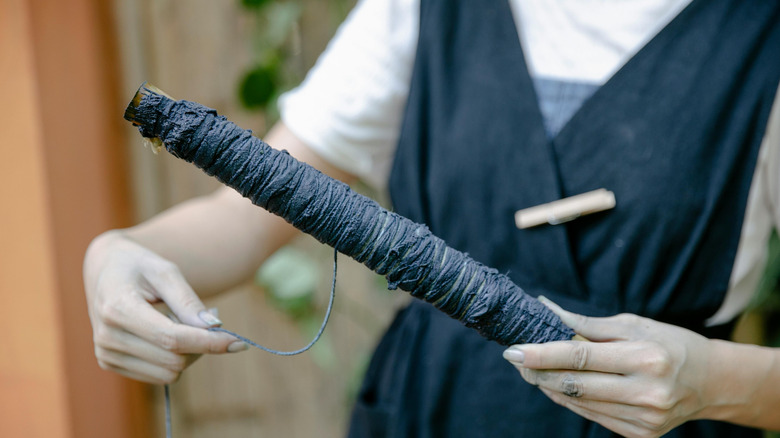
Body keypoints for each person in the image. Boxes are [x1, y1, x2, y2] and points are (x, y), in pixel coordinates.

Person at [84, 0, 780, 436]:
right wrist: (116, 255)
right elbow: (240, 222)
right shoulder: (420, 9)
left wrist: (716, 381)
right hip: (427, 411)